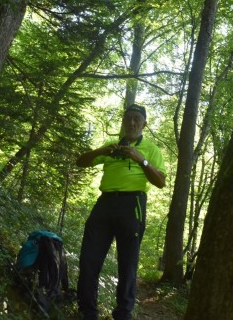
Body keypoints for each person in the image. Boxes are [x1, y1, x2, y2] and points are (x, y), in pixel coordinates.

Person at [76, 103, 166, 320]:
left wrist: (140, 158)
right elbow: (80, 162)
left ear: (144, 123)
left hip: (132, 204)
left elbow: (160, 182)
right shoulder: (112, 146)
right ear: (124, 122)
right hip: (105, 203)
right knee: (89, 258)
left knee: (128, 263)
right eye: (128, 118)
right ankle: (87, 312)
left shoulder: (151, 149)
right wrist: (102, 150)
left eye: (136, 118)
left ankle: (123, 314)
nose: (132, 122)